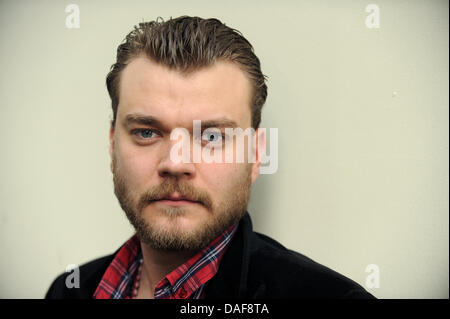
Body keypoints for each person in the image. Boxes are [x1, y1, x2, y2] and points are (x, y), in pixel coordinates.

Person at [45, 16, 374, 299]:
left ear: (256, 155)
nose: (175, 163)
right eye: (147, 132)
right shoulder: (67, 291)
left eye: (212, 136)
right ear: (113, 144)